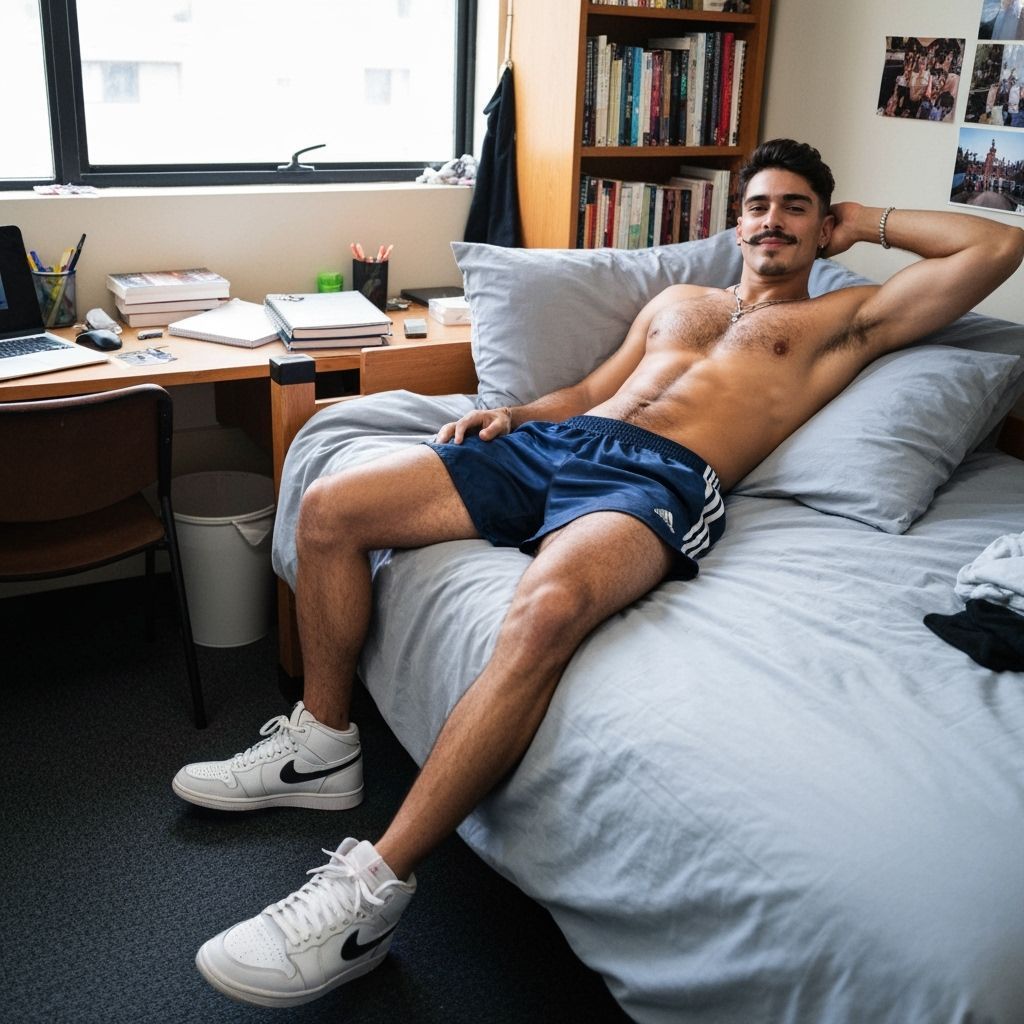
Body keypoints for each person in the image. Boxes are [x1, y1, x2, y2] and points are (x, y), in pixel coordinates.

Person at [173, 139, 1024, 1008]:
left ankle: (371, 891)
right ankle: (323, 742)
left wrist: (864, 221)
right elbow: (587, 394)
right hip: (559, 443)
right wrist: (512, 415)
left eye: (795, 208)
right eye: (758, 206)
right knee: (330, 509)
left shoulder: (846, 321)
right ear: (736, 223)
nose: (773, 220)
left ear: (823, 225)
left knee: (545, 612)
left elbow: (997, 246)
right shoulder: (680, 302)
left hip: (657, 478)